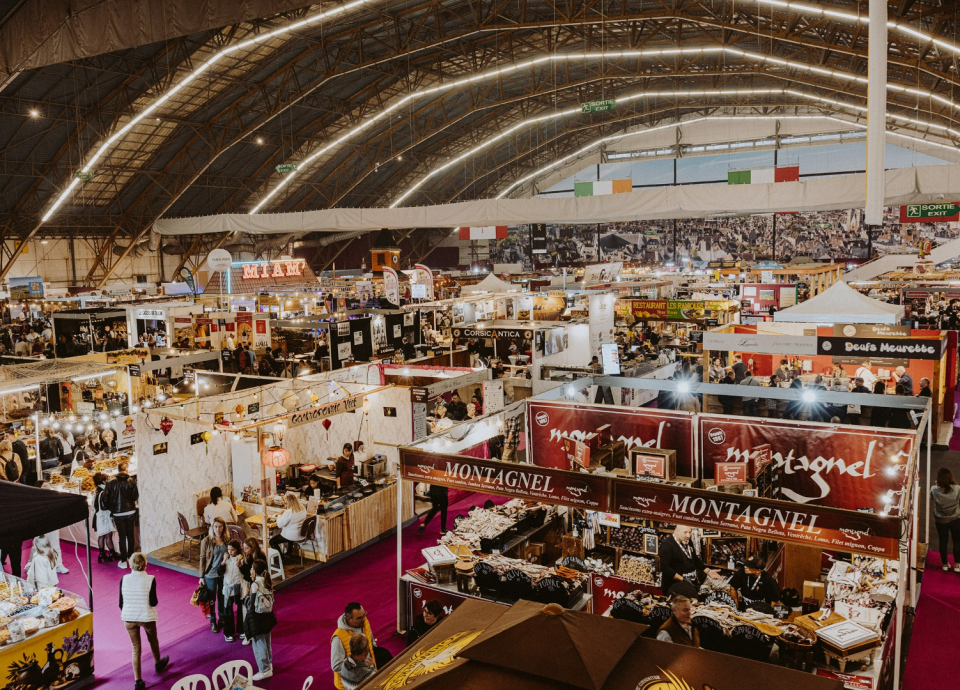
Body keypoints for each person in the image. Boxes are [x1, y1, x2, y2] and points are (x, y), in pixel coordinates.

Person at [120, 553, 170, 690]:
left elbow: (120, 603)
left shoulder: (124, 579)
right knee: (153, 640)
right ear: (145, 564)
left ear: (131, 564)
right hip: (146, 617)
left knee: (136, 649)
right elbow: (153, 602)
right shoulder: (150, 579)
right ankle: (158, 663)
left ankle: (138, 681)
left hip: (129, 618)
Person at [331, 602, 391, 690]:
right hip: (351, 683)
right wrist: (360, 665)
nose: (363, 619)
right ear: (349, 619)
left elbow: (371, 643)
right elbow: (336, 666)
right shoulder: (338, 638)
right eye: (359, 618)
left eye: (364, 615)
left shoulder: (364, 622)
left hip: (368, 673)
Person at [659, 524, 720, 595]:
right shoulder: (667, 545)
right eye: (685, 532)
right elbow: (665, 568)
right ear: (677, 531)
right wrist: (683, 580)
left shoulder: (687, 541)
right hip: (675, 589)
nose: (688, 535)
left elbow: (694, 558)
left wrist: (708, 571)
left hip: (690, 586)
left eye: (690, 532)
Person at [244, 560, 277, 681]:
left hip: (257, 617)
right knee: (267, 640)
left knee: (259, 643)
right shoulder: (267, 582)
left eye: (251, 568)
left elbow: (250, 605)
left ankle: (264, 669)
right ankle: (269, 663)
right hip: (267, 615)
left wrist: (246, 595)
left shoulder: (255, 585)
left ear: (254, 571)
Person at [106, 461, 139, 569]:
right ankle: (131, 558)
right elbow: (135, 497)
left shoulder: (111, 483)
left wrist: (112, 508)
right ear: (127, 469)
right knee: (130, 535)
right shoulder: (131, 481)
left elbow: (106, 498)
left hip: (118, 513)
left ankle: (124, 560)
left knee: (122, 537)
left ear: (118, 470)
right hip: (130, 511)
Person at [199, 517, 228, 633]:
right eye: (216, 526)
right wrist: (201, 576)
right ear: (212, 527)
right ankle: (212, 621)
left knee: (222, 596)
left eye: (220, 526)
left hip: (222, 573)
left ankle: (222, 617)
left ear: (223, 527)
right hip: (210, 574)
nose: (218, 529)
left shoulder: (226, 539)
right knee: (211, 598)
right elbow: (202, 559)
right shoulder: (206, 541)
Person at [931, 467, 960, 572]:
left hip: (940, 519)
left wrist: (936, 486)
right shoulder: (957, 488)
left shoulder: (934, 489)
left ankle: (945, 564)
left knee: (943, 541)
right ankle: (957, 565)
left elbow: (933, 498)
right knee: (957, 541)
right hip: (955, 518)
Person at [239, 537, 267, 645]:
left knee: (251, 609)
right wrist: (240, 566)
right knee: (248, 609)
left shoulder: (259, 558)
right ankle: (249, 632)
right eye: (244, 548)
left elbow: (252, 574)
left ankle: (251, 633)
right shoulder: (248, 557)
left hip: (255, 585)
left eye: (246, 548)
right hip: (251, 584)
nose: (244, 550)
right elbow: (246, 573)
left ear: (253, 548)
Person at [270, 493, 307, 561]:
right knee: (289, 531)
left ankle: (281, 558)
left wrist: (279, 515)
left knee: (272, 541)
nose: (285, 505)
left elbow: (279, 525)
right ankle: (288, 553)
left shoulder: (289, 512)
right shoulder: (302, 507)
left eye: (286, 503)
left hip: (292, 535)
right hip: (302, 533)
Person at [221, 539, 244, 642]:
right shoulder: (226, 559)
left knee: (240, 609)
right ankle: (228, 632)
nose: (230, 552)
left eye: (232, 550)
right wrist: (223, 561)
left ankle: (241, 630)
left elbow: (244, 572)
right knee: (228, 611)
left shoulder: (242, 559)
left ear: (237, 549)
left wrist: (240, 563)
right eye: (229, 550)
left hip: (239, 587)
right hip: (227, 588)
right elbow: (220, 572)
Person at [94, 472, 118, 563]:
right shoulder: (103, 492)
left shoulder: (97, 490)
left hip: (98, 516)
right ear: (103, 481)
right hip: (104, 516)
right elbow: (105, 506)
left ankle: (102, 554)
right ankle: (112, 553)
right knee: (108, 535)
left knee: (101, 536)